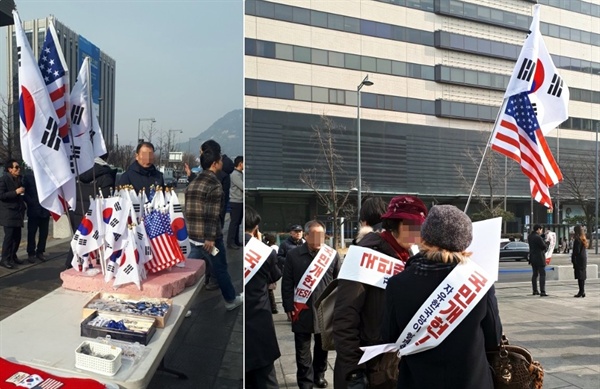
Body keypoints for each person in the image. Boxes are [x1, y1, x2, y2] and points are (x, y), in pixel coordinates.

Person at [382, 205, 503, 389]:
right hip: (472, 381)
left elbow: (390, 337)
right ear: (464, 242)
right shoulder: (479, 282)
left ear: (424, 237)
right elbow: (494, 337)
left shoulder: (397, 284)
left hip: (417, 382)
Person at [333, 195, 428, 389]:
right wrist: (353, 371)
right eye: (413, 226)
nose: (418, 232)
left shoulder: (412, 255)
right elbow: (344, 317)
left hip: (395, 366)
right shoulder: (365, 254)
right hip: (367, 366)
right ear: (395, 224)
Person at [282, 220, 341, 389]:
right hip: (302, 309)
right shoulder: (293, 255)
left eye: (321, 235)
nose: (318, 239)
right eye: (314, 235)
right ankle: (305, 381)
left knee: (323, 347)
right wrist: (287, 306)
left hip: (325, 309)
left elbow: (339, 282)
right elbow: (287, 283)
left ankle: (319, 375)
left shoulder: (332, 255)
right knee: (302, 349)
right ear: (306, 236)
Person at [185, 146, 243, 311]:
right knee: (221, 269)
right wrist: (210, 238)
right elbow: (212, 215)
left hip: (194, 235)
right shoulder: (215, 185)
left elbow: (189, 210)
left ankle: (183, 306)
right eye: (221, 160)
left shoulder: (193, 182)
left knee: (190, 271)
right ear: (216, 163)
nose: (222, 163)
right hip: (210, 239)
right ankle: (231, 300)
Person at [245, 205, 283, 389]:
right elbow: (275, 276)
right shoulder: (263, 252)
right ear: (255, 228)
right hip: (259, 323)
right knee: (266, 379)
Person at [65, 154, 117, 269]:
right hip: (95, 215)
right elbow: (106, 199)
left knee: (78, 240)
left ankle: (71, 267)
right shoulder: (106, 175)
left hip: (77, 212)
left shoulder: (78, 170)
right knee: (93, 244)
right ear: (106, 158)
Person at [0, 160, 26, 269]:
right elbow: (1, 195)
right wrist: (15, 192)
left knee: (17, 237)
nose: (18, 169)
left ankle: (13, 256)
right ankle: (4, 259)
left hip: (18, 212)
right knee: (9, 237)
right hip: (8, 213)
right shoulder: (4, 179)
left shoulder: (19, 179)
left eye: (19, 167)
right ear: (10, 169)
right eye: (16, 167)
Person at [22, 171, 50, 263]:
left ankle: (40, 251)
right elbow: (23, 192)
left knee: (44, 233)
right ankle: (31, 253)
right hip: (33, 209)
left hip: (45, 209)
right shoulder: (28, 176)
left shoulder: (45, 175)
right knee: (32, 233)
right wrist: (31, 202)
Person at [227, 156, 243, 249]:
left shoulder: (240, 174)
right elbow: (242, 186)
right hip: (235, 201)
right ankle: (230, 242)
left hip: (240, 201)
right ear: (240, 163)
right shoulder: (235, 174)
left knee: (237, 223)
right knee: (234, 223)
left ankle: (236, 240)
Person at [528, 224, 549, 297]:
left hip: (533, 258)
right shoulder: (538, 237)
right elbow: (543, 247)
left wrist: (542, 237)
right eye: (541, 229)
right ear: (538, 229)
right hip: (540, 258)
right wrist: (547, 243)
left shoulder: (530, 236)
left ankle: (535, 290)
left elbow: (536, 243)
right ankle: (542, 291)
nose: (541, 231)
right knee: (542, 274)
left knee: (535, 274)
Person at [264, 232, 280, 314]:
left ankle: (273, 307)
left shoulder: (272, 248)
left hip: (271, 271)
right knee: (270, 290)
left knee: (269, 290)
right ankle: (272, 307)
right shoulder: (275, 247)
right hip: (271, 271)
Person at [571, 225, 588, 298]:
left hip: (578, 259)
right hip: (583, 258)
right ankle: (582, 290)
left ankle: (581, 291)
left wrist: (573, 257)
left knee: (579, 275)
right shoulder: (583, 238)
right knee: (582, 275)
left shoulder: (577, 239)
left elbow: (576, 251)